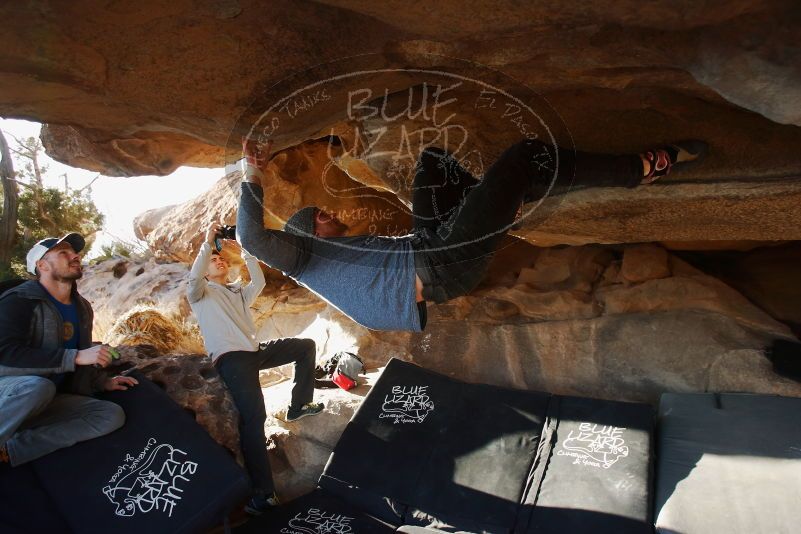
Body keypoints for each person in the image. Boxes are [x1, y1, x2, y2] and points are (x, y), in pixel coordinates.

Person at [237, 137, 706, 332]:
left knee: (433, 163)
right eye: (323, 214)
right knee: (523, 156)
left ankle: (502, 205)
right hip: (442, 265)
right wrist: (250, 174)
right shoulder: (306, 257)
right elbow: (252, 239)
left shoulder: (342, 256)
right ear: (311, 232)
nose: (333, 214)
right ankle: (640, 169)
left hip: (430, 250)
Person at [187, 223, 324, 516]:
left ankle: (299, 405)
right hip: (232, 359)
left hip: (254, 352)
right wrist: (208, 242)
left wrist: (246, 251)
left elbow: (258, 283)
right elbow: (194, 276)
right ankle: (263, 495)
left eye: (221, 258)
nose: (219, 260)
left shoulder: (235, 291)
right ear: (205, 270)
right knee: (254, 418)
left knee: (305, 346)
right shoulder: (200, 294)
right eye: (214, 260)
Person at [0, 233, 137, 467]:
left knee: (109, 415)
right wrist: (75, 357)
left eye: (74, 252)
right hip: (12, 393)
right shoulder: (18, 300)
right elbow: (5, 355)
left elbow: (79, 355)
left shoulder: (82, 308)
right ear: (41, 265)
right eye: (63, 252)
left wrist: (100, 381)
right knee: (38, 388)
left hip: (47, 397)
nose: (75, 256)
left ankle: (11, 451)